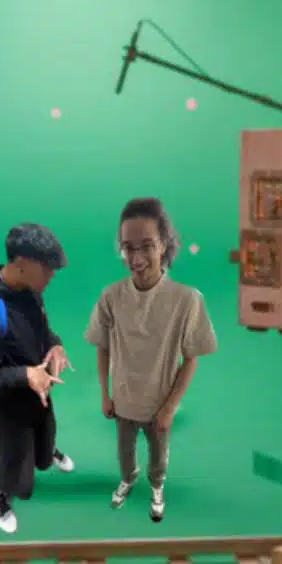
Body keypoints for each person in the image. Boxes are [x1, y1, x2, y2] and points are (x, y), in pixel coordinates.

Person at [84, 197, 217, 523]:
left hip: (159, 405)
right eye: (128, 248)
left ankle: (157, 488)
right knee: (125, 454)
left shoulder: (186, 300)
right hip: (123, 402)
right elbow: (102, 346)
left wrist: (170, 407)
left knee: (158, 456)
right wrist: (105, 394)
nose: (137, 258)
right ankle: (127, 480)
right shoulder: (111, 296)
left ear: (165, 245)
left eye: (146, 246)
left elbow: (191, 357)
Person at [0, 223, 75, 534]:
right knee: (9, 450)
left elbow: (41, 330)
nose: (52, 275)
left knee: (44, 429)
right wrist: (24, 374)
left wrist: (55, 345)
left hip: (36, 389)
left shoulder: (30, 292)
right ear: (22, 264)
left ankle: (45, 451)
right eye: (46, 267)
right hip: (3, 401)